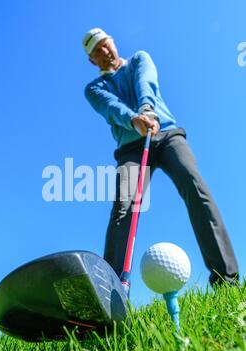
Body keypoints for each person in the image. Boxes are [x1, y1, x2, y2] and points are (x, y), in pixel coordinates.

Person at [82, 27, 239, 287]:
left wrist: (146, 109)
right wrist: (134, 119)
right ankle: (111, 294)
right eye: (97, 51)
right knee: (124, 207)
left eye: (105, 44)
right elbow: (110, 107)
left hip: (166, 135)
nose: (104, 51)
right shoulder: (94, 88)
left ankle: (227, 280)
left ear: (112, 42)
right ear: (92, 60)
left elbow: (146, 83)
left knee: (194, 185)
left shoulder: (139, 59)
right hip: (131, 148)